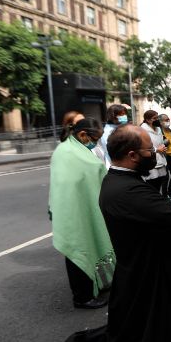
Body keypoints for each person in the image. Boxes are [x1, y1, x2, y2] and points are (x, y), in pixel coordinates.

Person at [37, 124, 171, 342]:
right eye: (150, 150)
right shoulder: (128, 190)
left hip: (145, 269)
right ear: (134, 155)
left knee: (142, 331)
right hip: (148, 275)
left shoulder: (121, 181)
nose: (154, 153)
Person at [48, 118, 115, 309]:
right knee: (80, 249)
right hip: (73, 213)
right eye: (95, 138)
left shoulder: (75, 149)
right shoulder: (67, 152)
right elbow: (67, 185)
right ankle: (82, 297)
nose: (95, 143)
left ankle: (93, 286)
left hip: (84, 208)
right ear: (83, 135)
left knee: (91, 245)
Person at [139, 110, 168, 193]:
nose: (157, 120)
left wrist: (163, 147)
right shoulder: (142, 130)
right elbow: (141, 148)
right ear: (148, 120)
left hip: (161, 162)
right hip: (150, 163)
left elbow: (161, 143)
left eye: (157, 117)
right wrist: (156, 150)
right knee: (151, 187)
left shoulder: (159, 129)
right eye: (154, 118)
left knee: (159, 186)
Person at [159, 114, 171, 199]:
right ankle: (165, 196)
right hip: (165, 156)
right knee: (166, 177)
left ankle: (170, 193)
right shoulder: (159, 131)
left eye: (168, 119)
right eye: (166, 120)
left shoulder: (169, 130)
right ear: (160, 122)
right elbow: (159, 143)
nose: (168, 121)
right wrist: (165, 142)